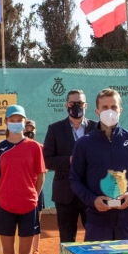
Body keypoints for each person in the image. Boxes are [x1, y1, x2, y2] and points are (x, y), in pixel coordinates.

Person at [70, 89, 128, 241]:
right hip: (96, 221)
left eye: (113, 107)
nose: (109, 111)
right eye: (105, 108)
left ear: (120, 110)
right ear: (97, 111)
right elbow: (75, 179)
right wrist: (92, 200)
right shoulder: (84, 143)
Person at [0, 105, 46, 254]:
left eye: (19, 120)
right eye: (12, 120)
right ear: (6, 122)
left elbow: (40, 176)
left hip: (28, 207)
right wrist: (5, 194)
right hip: (5, 207)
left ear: (25, 121)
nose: (16, 123)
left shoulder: (34, 148)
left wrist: (32, 196)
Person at [43, 89, 98, 243]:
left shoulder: (97, 128)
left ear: (85, 105)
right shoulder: (55, 129)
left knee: (95, 236)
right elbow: (47, 160)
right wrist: (70, 160)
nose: (76, 106)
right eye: (72, 103)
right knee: (67, 239)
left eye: (79, 103)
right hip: (65, 194)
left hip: (91, 193)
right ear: (66, 105)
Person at [23, 119, 45, 254]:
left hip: (36, 189)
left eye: (32, 129)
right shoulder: (14, 146)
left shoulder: (41, 148)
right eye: (27, 128)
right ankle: (21, 252)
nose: (29, 131)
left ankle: (35, 252)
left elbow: (43, 171)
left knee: (36, 221)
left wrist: (36, 192)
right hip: (21, 189)